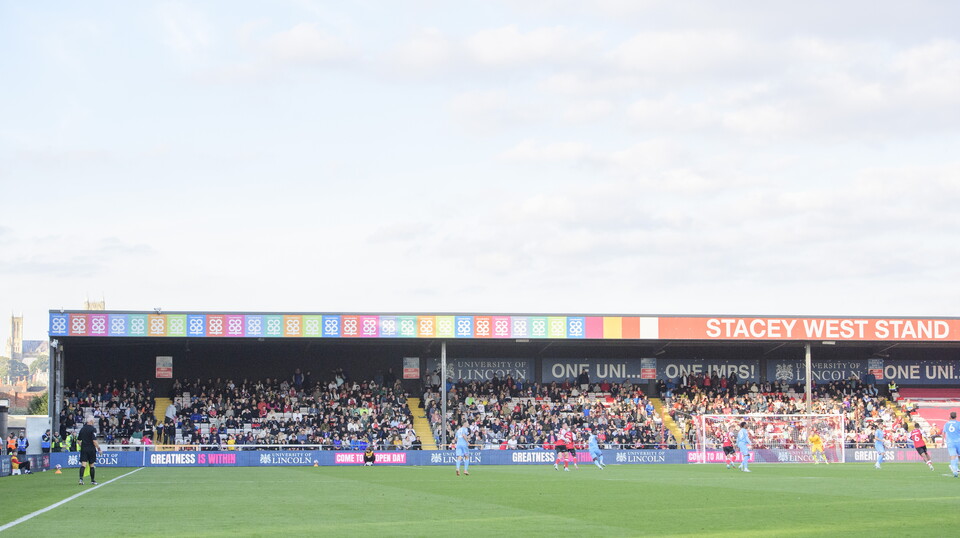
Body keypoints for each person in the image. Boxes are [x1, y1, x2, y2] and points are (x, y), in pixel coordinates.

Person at [77, 417, 102, 486]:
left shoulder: (82, 429)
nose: (94, 422)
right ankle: (92, 480)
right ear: (90, 421)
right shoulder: (93, 429)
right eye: (93, 421)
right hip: (91, 449)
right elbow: (94, 441)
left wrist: (83, 445)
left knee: (83, 464)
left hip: (84, 448)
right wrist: (99, 449)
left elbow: (78, 441)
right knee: (92, 464)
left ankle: (81, 479)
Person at [945, 411, 960, 478]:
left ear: (950, 416)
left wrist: (943, 441)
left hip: (950, 442)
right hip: (958, 441)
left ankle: (954, 470)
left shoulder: (947, 424)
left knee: (953, 456)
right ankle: (956, 468)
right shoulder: (958, 423)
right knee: (958, 455)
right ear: (956, 416)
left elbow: (944, 433)